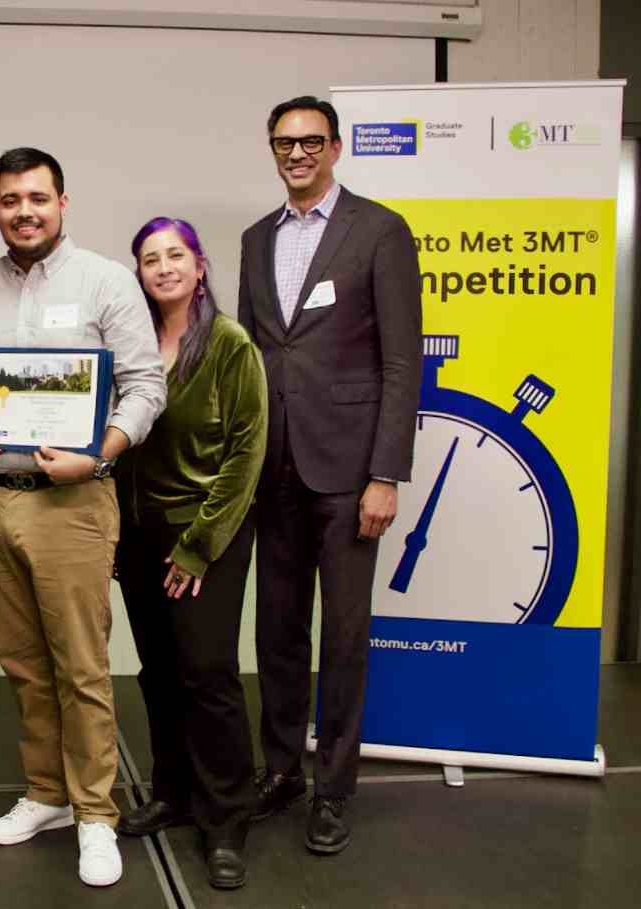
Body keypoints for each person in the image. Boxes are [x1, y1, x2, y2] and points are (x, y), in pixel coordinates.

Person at [0, 147, 166, 888]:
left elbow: (143, 385)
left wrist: (100, 454)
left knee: (81, 666)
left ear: (63, 202)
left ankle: (95, 812)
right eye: (10, 200)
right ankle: (47, 794)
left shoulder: (107, 282)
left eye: (38, 197)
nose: (25, 211)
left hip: (72, 499)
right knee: (23, 664)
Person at [238, 96, 422, 855]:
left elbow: (401, 361)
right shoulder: (255, 239)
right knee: (277, 632)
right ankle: (280, 771)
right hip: (272, 471)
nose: (298, 153)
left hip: (349, 474)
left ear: (337, 147)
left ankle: (333, 788)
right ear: (272, 149)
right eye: (285, 142)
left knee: (343, 638)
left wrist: (386, 473)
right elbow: (253, 352)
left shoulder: (378, 230)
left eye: (312, 140)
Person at [114, 217, 267, 890]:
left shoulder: (230, 344)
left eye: (176, 254)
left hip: (207, 536)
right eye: (150, 258)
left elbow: (246, 453)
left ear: (200, 267)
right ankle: (174, 790)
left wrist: (199, 547)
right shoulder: (130, 342)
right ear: (139, 273)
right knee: (158, 669)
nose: (164, 266)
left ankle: (227, 815)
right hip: (139, 532)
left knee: (207, 673)